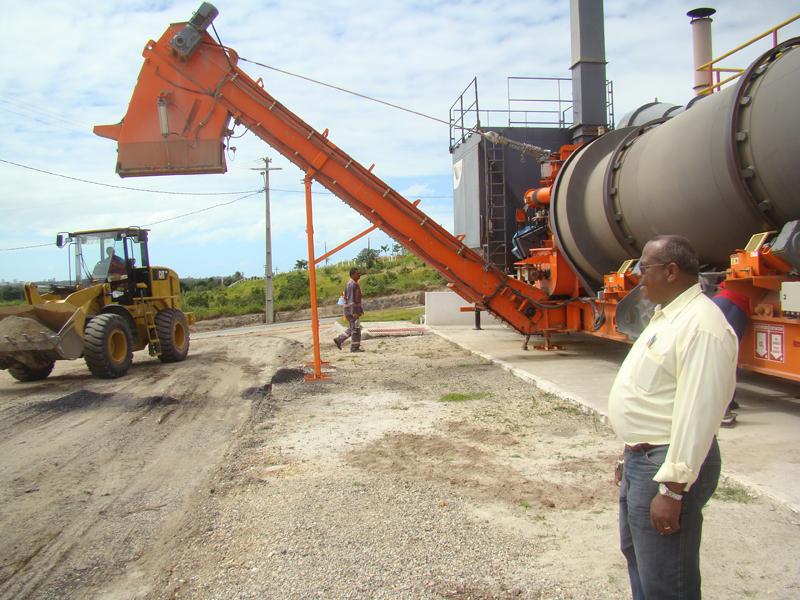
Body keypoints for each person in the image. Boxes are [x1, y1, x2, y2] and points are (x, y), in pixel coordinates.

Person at [609, 235, 738, 600]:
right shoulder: (668, 316)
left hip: (665, 466)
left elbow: (698, 412)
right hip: (644, 459)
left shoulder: (702, 326)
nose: (639, 278)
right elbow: (656, 396)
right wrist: (630, 450)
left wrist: (672, 488)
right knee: (640, 560)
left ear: (670, 271)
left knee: (666, 578)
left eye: (644, 268)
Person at [712, 282, 749, 427]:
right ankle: (723, 407)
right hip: (736, 303)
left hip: (723, 301)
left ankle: (726, 402)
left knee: (723, 354)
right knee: (727, 355)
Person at [334, 267, 364, 352]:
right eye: (357, 273)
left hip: (350, 310)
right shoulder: (352, 284)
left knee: (354, 327)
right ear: (353, 274)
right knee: (355, 329)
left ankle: (339, 340)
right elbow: (351, 300)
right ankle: (354, 347)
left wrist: (360, 310)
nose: (359, 275)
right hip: (351, 311)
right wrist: (354, 312)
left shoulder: (352, 283)